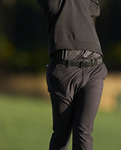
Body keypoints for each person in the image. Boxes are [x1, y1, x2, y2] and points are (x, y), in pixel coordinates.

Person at [37, 0, 108, 150]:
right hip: (63, 70)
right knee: (61, 137)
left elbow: (95, 8)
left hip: (94, 69)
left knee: (83, 132)